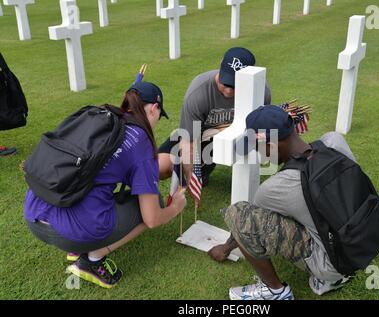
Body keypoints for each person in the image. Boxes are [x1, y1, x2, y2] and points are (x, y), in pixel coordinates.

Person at [23, 82, 187, 289]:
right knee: (155, 205)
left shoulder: (99, 115)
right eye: (158, 115)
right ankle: (93, 258)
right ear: (154, 108)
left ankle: (78, 246)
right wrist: (175, 208)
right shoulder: (140, 141)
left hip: (33, 214)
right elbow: (152, 219)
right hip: (69, 233)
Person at [220, 105, 358, 300]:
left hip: (333, 263)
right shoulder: (333, 141)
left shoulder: (275, 188)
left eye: (258, 148)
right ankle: (337, 273)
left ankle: (276, 291)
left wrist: (225, 248)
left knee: (239, 214)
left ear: (270, 144)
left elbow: (248, 226)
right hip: (362, 241)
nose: (261, 155)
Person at [158, 47, 271, 184]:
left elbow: (260, 131)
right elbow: (189, 142)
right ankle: (203, 170)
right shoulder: (198, 92)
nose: (229, 90)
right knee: (160, 167)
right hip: (200, 138)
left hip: (234, 139)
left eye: (235, 85)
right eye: (226, 82)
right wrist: (193, 181)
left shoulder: (261, 91)